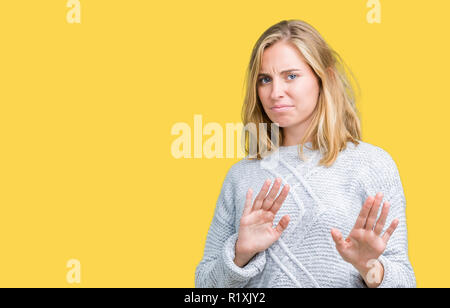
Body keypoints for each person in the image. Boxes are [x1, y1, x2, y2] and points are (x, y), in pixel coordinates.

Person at [195, 19, 416, 288]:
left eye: (291, 76)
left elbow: (406, 283)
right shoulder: (241, 176)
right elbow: (204, 289)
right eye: (265, 79)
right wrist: (240, 254)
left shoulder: (372, 165)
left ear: (324, 78)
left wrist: (369, 267)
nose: (275, 93)